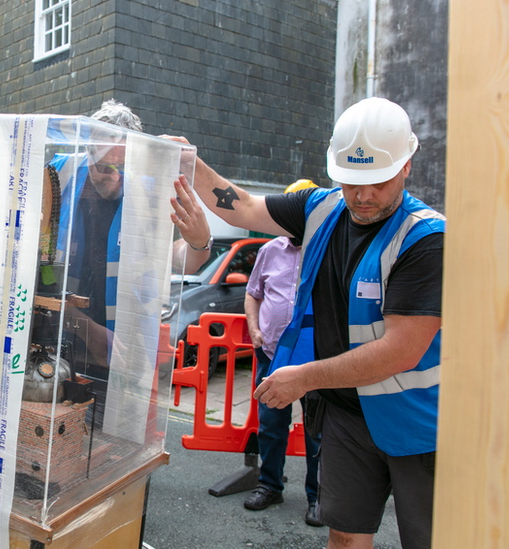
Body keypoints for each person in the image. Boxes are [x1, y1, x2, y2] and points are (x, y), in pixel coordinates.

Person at [164, 97, 444, 549]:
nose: (364, 195)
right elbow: (245, 207)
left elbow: (401, 350)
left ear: (407, 165)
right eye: (352, 181)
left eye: (377, 180)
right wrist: (192, 165)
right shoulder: (321, 208)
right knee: (345, 535)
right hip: (348, 416)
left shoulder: (425, 239)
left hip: (418, 422)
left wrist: (305, 377)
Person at [47, 99, 212, 401]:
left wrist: (200, 242)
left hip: (123, 351)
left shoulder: (148, 189)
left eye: (124, 167)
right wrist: (85, 328)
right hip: (60, 341)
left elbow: (179, 261)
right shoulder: (60, 177)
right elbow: (34, 268)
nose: (116, 177)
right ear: (88, 150)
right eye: (105, 167)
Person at [242, 179, 323, 527]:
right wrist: (255, 329)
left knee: (317, 432)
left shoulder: (326, 248)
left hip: (315, 359)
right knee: (272, 426)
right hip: (272, 355)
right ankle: (269, 485)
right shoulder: (269, 250)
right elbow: (253, 293)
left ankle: (318, 497)